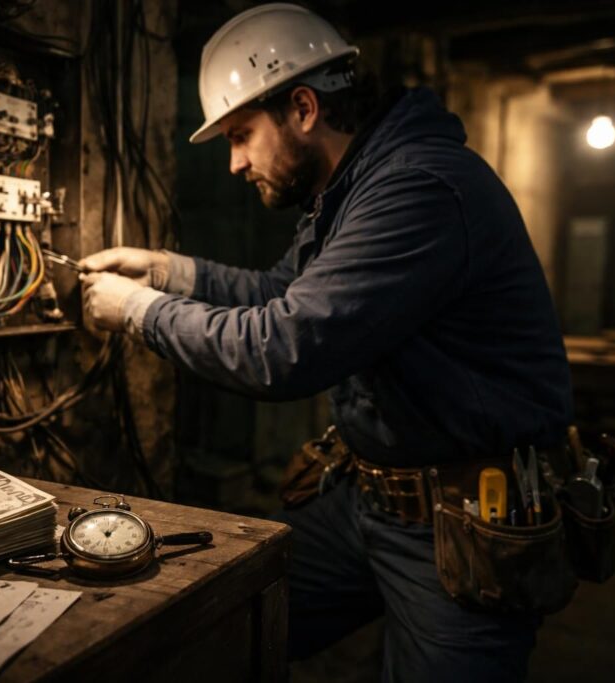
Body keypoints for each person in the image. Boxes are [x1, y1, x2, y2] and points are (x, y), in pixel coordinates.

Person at [78, 3, 573, 681]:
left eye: (241, 135)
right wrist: (166, 269)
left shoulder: (416, 189)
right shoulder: (351, 188)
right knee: (228, 622)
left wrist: (138, 309)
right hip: (369, 499)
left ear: (304, 108)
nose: (233, 163)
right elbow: (284, 290)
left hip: (465, 523)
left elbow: (284, 345)